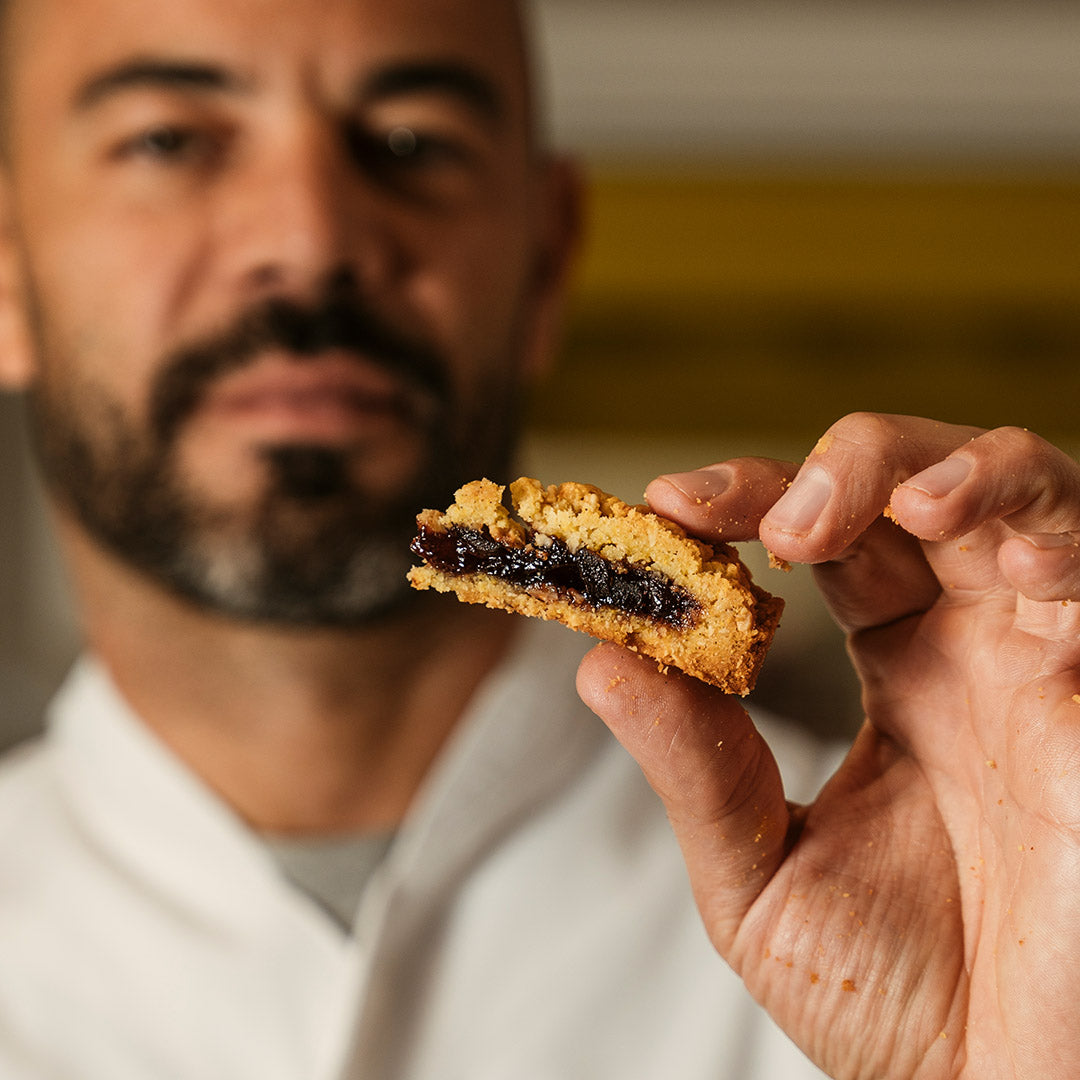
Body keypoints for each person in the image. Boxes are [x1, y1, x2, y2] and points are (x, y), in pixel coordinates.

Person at [0, 0, 1076, 1077]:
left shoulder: (971, 905)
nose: (310, 239)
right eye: (168, 141)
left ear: (549, 257)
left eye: (411, 141)